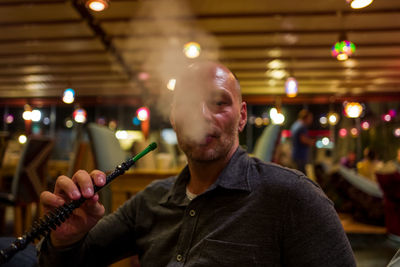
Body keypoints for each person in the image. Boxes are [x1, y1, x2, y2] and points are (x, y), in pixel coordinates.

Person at [38, 61, 356, 266]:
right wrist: (64, 238)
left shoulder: (293, 198)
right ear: (174, 117)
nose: (203, 116)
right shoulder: (148, 203)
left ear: (242, 116)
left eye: (219, 103)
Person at [290, 109, 315, 174]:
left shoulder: (295, 125)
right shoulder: (302, 126)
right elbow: (303, 140)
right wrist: (312, 142)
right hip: (300, 156)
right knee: (302, 177)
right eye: (310, 118)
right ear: (306, 118)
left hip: (295, 154)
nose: (311, 120)